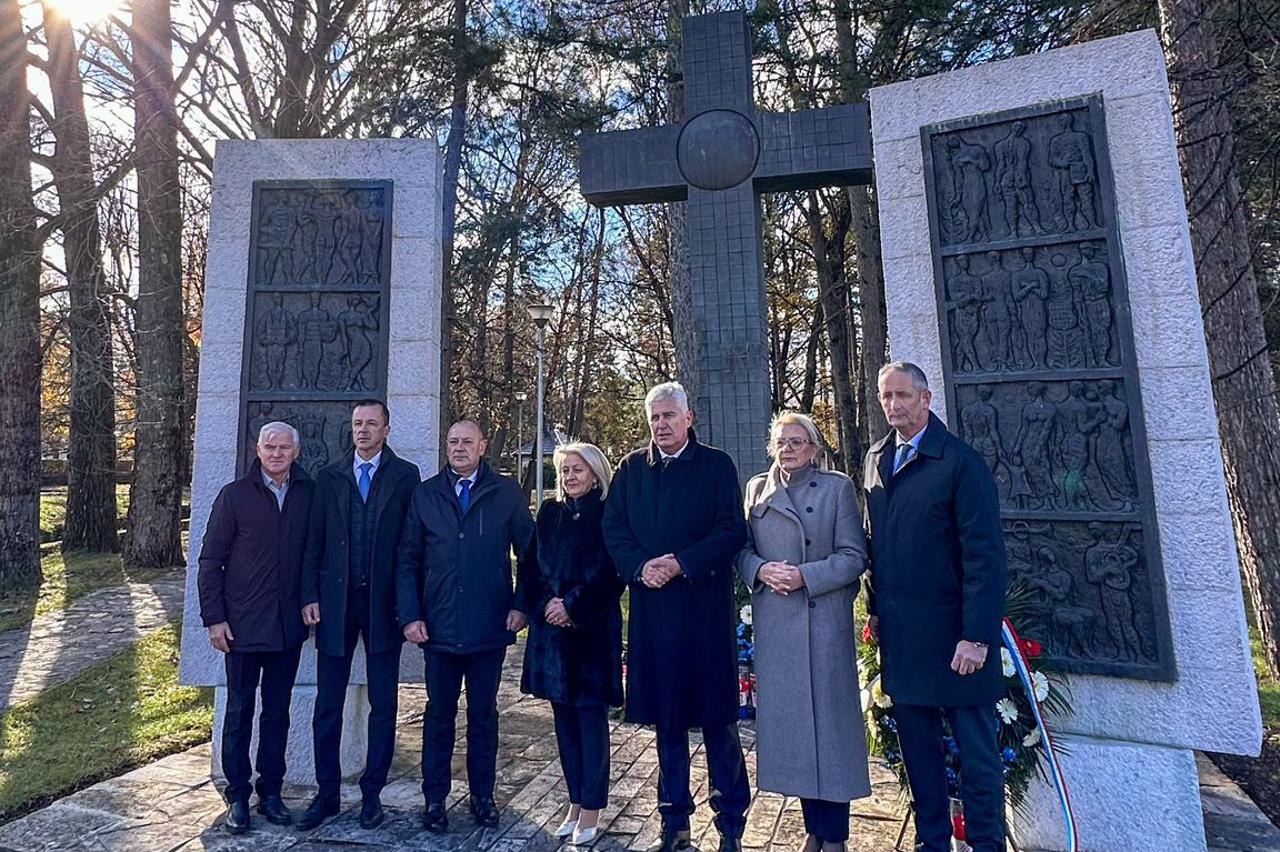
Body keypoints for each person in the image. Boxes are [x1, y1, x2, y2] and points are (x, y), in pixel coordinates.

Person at [862, 362, 1008, 852]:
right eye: (886, 396)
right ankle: (932, 843)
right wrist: (875, 610)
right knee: (920, 758)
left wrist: (977, 635)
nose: (894, 405)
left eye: (903, 395)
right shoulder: (876, 458)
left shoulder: (959, 462)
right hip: (904, 640)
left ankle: (987, 844)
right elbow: (875, 547)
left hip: (956, 639)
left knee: (977, 759)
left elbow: (984, 556)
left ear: (926, 399)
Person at [602, 382, 750, 852]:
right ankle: (674, 823)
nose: (661, 425)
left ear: (689, 418)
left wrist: (681, 563)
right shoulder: (630, 469)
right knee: (668, 723)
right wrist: (642, 567)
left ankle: (730, 822)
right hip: (655, 613)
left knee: (717, 722)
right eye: (655, 418)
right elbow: (614, 528)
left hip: (703, 613)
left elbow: (731, 530)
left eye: (669, 416)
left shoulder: (716, 466)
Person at [737, 412, 870, 852]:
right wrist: (760, 569)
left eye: (798, 441)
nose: (788, 448)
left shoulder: (836, 489)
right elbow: (741, 551)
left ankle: (834, 836)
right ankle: (813, 830)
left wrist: (804, 576)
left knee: (830, 734)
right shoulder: (757, 489)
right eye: (781, 441)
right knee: (797, 735)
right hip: (779, 627)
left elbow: (854, 556)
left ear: (814, 448)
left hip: (822, 623)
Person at [395, 420, 535, 833]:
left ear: (482, 446)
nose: (459, 448)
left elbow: (530, 553)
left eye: (466, 442)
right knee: (438, 715)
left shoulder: (505, 493)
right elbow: (407, 560)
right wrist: (410, 615)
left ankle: (482, 796)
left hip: (488, 626)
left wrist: (522, 605)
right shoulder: (426, 494)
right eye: (453, 442)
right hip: (436, 629)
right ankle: (434, 799)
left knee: (483, 716)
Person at [296, 400, 421, 831]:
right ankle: (326, 793)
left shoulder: (406, 476)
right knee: (328, 702)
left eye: (371, 424)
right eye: (357, 424)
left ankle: (373, 795)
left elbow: (411, 546)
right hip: (335, 604)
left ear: (386, 429)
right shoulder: (329, 476)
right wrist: (309, 594)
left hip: (383, 605)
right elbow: (313, 541)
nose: (363, 430)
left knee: (383, 703)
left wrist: (409, 607)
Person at [197, 422, 316, 834]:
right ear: (258, 449)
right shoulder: (234, 496)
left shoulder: (308, 494)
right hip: (241, 627)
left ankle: (271, 791)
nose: (277, 453)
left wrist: (310, 600)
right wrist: (214, 618)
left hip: (286, 628)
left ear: (295, 453)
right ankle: (237, 795)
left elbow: (313, 555)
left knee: (278, 713)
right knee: (239, 711)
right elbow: (211, 562)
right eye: (270, 446)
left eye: (284, 447)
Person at [517, 443, 624, 846]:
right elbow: (530, 565)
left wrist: (573, 606)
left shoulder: (608, 515)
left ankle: (593, 806)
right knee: (563, 722)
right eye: (564, 470)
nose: (570, 477)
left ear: (595, 474)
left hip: (590, 635)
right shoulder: (549, 514)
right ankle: (575, 801)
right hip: (551, 637)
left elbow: (613, 574)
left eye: (577, 470)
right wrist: (546, 604)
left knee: (590, 723)